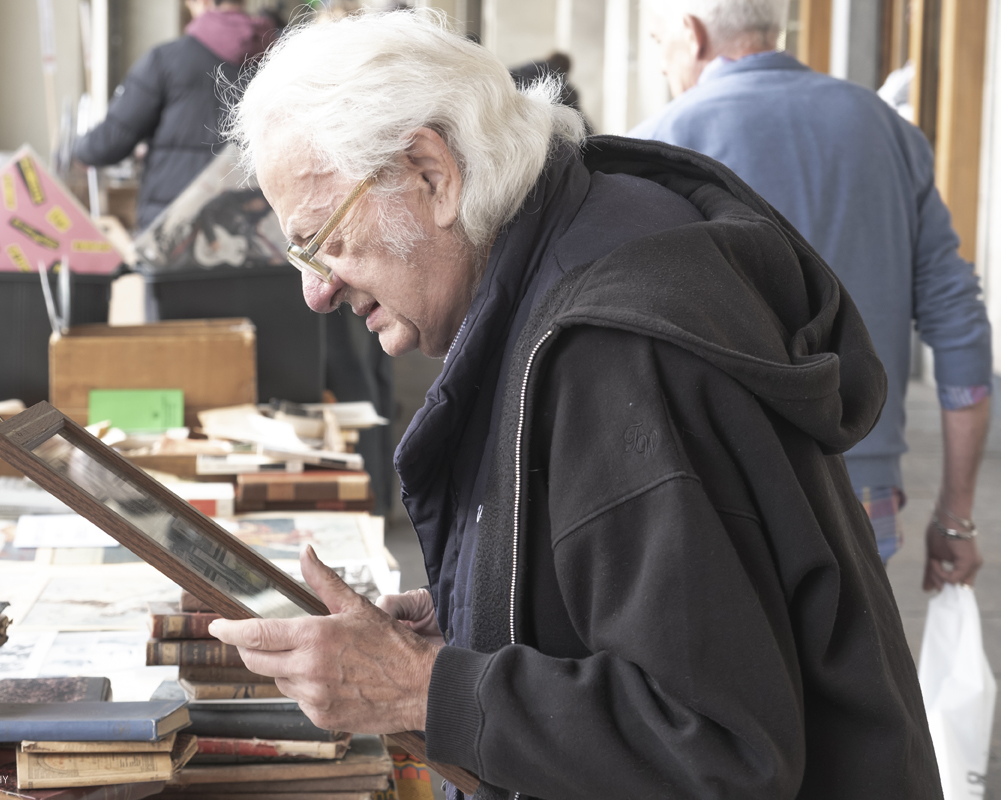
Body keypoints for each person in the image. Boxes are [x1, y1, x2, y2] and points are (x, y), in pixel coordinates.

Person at [206, 11, 939, 799]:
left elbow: (719, 752)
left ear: (431, 174)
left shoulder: (607, 355)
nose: (316, 291)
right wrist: (478, 618)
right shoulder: (584, 232)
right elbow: (647, 602)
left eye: (326, 242)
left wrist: (423, 687)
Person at [630, 0, 992, 592]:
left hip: (712, 489)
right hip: (860, 481)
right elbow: (960, 328)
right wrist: (955, 518)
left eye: (658, 41)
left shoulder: (656, 148)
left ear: (692, 37)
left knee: (732, 679)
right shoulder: (890, 131)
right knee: (859, 672)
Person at [74, 0, 276, 231]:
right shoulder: (281, 58)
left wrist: (78, 149)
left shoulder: (166, 59)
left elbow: (109, 143)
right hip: (254, 223)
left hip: (173, 226)